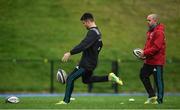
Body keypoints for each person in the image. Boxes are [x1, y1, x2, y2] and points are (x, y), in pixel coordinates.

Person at [55, 12, 123, 104]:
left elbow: (83, 45)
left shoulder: (92, 33)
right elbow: (99, 46)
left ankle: (65, 101)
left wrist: (70, 53)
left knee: (70, 78)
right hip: (92, 62)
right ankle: (109, 77)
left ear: (87, 21)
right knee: (86, 80)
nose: (84, 25)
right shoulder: (98, 31)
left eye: (83, 23)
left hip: (86, 63)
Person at [138, 14, 166, 104]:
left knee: (158, 81)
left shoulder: (159, 32)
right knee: (143, 75)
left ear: (155, 21)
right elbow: (148, 46)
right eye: (147, 20)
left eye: (149, 20)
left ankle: (160, 100)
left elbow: (156, 48)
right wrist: (144, 55)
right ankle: (152, 95)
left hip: (157, 61)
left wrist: (144, 53)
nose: (147, 22)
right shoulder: (151, 31)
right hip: (149, 60)